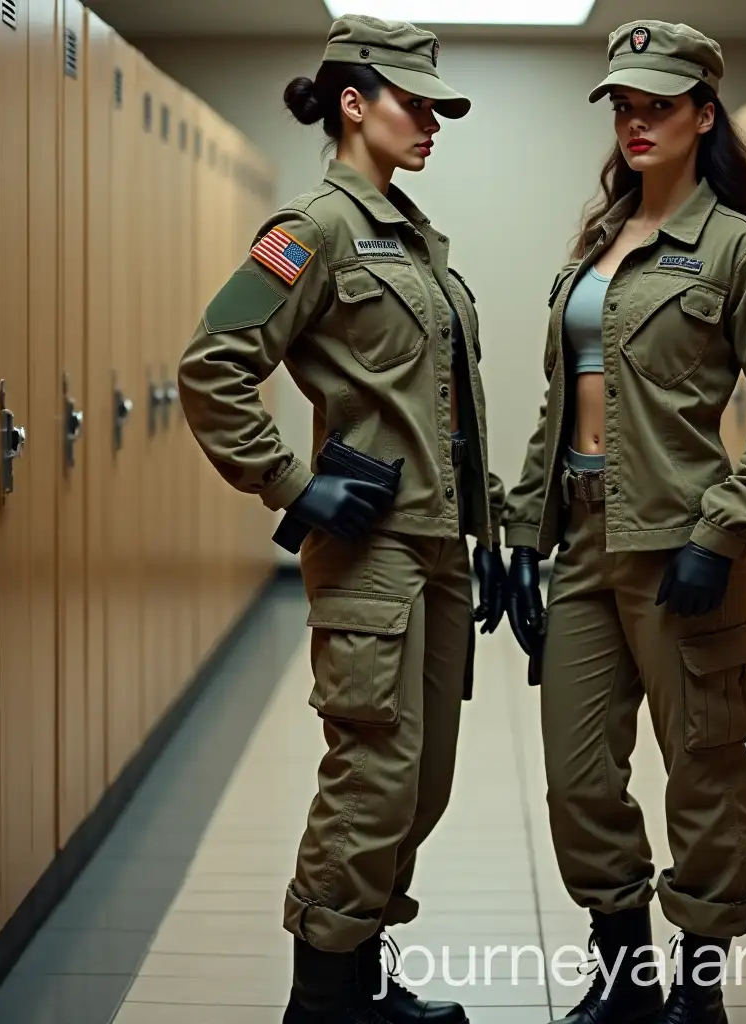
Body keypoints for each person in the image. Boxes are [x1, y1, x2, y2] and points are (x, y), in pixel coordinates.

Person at [176, 15, 508, 1024]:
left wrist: (486, 532)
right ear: (354, 103)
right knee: (371, 778)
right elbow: (212, 366)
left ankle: (359, 968)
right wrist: (290, 481)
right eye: (416, 103)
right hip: (371, 554)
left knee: (421, 785)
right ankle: (324, 999)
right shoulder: (309, 229)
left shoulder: (411, 237)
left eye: (440, 108)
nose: (433, 124)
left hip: (436, 544)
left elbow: (443, 406)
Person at [502, 21, 746, 1024]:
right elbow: (562, 404)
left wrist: (722, 529)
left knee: (701, 773)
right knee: (576, 777)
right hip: (583, 539)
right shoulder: (597, 244)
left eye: (656, 104)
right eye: (622, 106)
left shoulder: (738, 250)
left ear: (700, 112)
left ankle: (695, 990)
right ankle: (623, 977)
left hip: (685, 548)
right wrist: (524, 529)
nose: (635, 122)